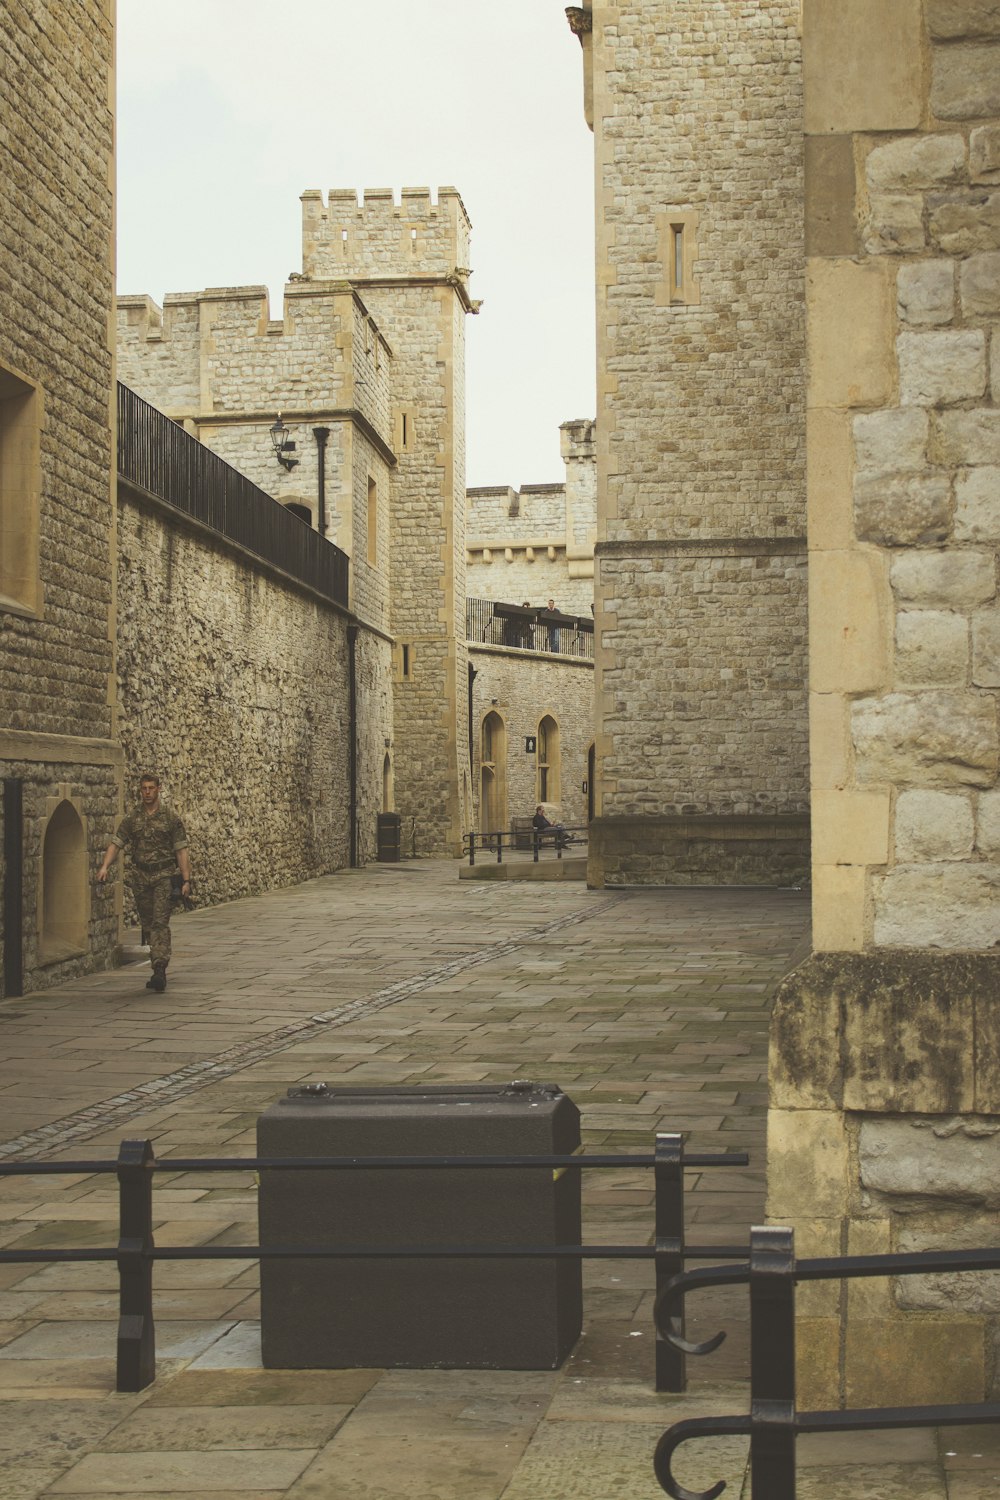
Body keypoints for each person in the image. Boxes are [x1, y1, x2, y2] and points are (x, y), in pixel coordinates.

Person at [97, 773, 191, 992]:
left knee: (159, 922)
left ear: (159, 789)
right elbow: (116, 843)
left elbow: (181, 850)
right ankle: (156, 961)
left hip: (163, 876)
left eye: (151, 788)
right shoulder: (133, 819)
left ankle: (159, 967)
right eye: (143, 789)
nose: (147, 792)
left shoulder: (170, 818)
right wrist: (104, 866)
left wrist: (186, 880)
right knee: (148, 923)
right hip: (141, 878)